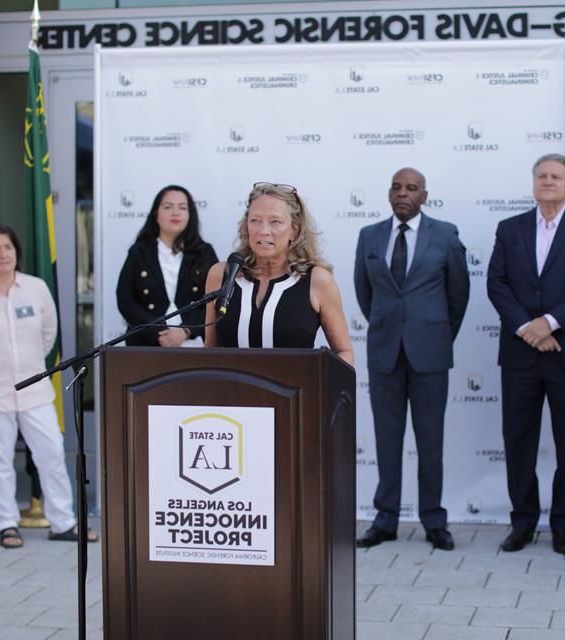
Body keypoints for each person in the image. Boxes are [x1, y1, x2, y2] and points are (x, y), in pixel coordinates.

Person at [486, 153, 565, 555]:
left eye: (556, 176)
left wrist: (549, 323)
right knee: (518, 441)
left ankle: (562, 526)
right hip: (521, 354)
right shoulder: (510, 229)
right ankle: (522, 523)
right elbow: (497, 285)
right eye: (541, 175)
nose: (548, 181)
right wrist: (527, 329)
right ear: (533, 183)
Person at [0, 225, 96, 548]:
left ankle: (63, 522)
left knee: (51, 454)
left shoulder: (36, 289)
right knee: (0, 460)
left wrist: (27, 367)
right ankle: (7, 524)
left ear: (17, 253)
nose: (3, 254)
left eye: (8, 247)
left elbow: (48, 335)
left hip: (34, 390)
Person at [353, 167, 470, 551]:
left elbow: (458, 297)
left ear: (424, 195)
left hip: (430, 353)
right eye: (397, 187)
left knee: (430, 440)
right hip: (385, 353)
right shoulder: (369, 236)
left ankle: (434, 521)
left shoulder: (446, 235)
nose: (403, 193)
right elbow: (364, 293)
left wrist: (435, 334)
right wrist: (389, 326)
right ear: (389, 193)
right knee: (387, 441)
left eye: (412, 188)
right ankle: (385, 520)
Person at [204, 181, 353, 366]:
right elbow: (211, 349)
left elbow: (344, 352)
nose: (264, 231)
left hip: (296, 393)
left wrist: (320, 386)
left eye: (275, 222)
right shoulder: (221, 274)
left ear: (294, 231)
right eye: (255, 220)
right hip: (232, 393)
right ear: (246, 227)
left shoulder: (317, 280)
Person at [117, 185, 218, 347]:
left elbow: (216, 299)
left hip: (195, 345)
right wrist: (156, 331)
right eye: (168, 206)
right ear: (156, 213)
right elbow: (125, 299)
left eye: (182, 207)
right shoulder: (139, 252)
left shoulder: (204, 252)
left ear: (190, 215)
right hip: (145, 345)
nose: (175, 212)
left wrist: (186, 330)